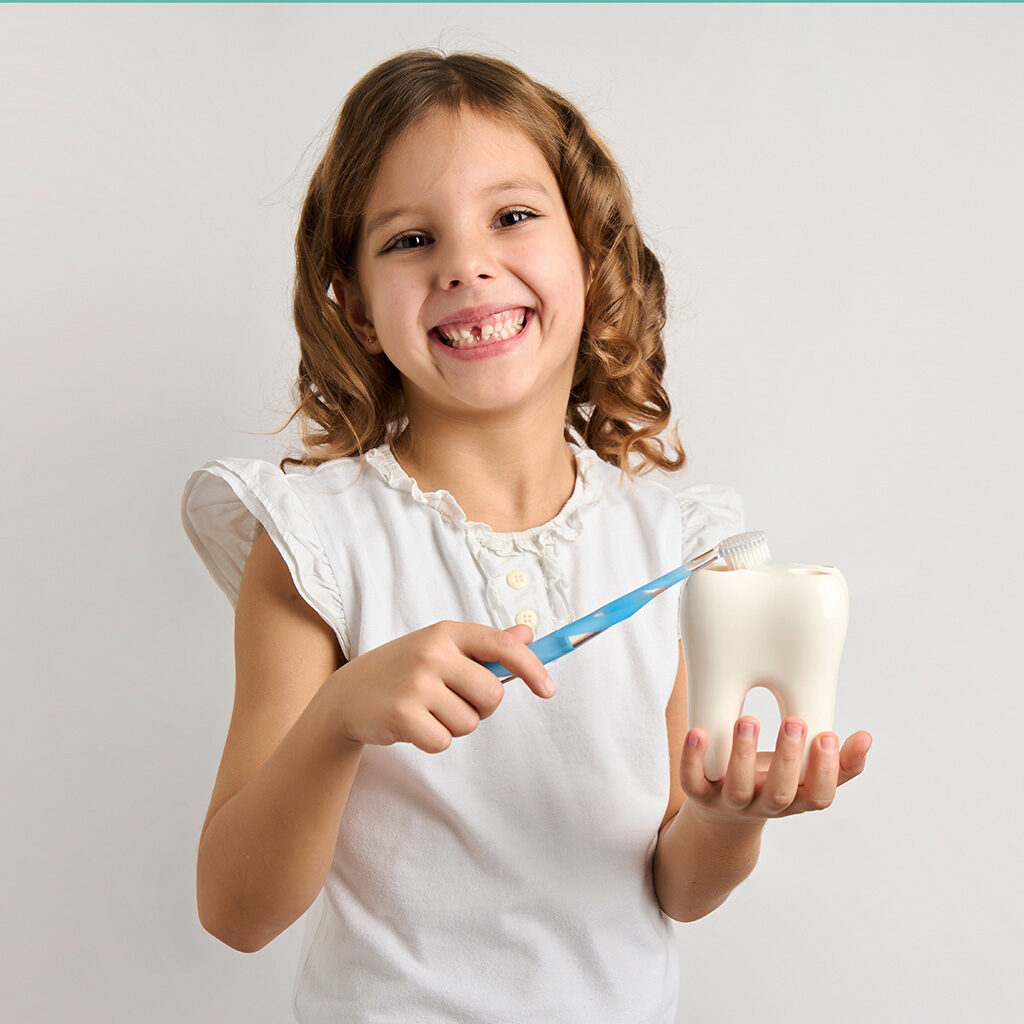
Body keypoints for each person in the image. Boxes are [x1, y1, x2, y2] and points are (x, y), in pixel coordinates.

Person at [181, 49, 872, 1023]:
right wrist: (339, 713)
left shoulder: (675, 546)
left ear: (589, 253)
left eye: (510, 216)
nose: (464, 262)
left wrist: (724, 819)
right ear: (356, 309)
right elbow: (236, 910)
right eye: (410, 237)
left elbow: (677, 885)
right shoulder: (314, 543)